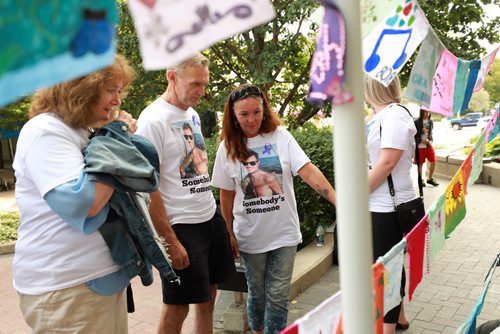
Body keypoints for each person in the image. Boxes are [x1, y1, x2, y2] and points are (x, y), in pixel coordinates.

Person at [12, 55, 137, 333]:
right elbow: (85, 203)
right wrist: (119, 140)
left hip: (92, 285)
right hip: (68, 290)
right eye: (111, 90)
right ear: (82, 87)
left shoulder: (81, 131)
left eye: (119, 91)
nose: (117, 101)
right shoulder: (45, 131)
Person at [212, 84, 336, 334]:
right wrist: (229, 233)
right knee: (257, 294)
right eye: (244, 114)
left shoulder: (281, 136)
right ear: (233, 116)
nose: (251, 119)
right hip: (250, 237)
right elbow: (225, 194)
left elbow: (308, 171)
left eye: (256, 112)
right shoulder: (226, 147)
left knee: (278, 296)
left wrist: (338, 202)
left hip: (284, 234)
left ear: (264, 109)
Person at [136, 52, 235, 334]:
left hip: (208, 217)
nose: (201, 92)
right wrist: (169, 239)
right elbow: (147, 187)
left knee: (209, 297)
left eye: (204, 84)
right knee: (178, 306)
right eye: (195, 84)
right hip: (180, 226)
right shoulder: (152, 121)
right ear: (172, 76)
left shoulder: (191, 114)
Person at [364, 75, 417, 334]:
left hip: (388, 207)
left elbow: (387, 163)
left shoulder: (395, 115)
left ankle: (386, 329)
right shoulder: (378, 116)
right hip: (379, 205)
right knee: (391, 265)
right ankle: (400, 317)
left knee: (387, 271)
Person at [415, 107, 439, 186]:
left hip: (428, 145)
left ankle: (429, 179)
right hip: (420, 147)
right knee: (420, 164)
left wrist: (430, 141)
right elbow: (413, 136)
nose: (427, 113)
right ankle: (420, 180)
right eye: (425, 112)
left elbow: (430, 134)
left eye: (428, 112)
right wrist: (421, 141)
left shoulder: (430, 122)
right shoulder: (417, 122)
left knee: (433, 161)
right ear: (421, 112)